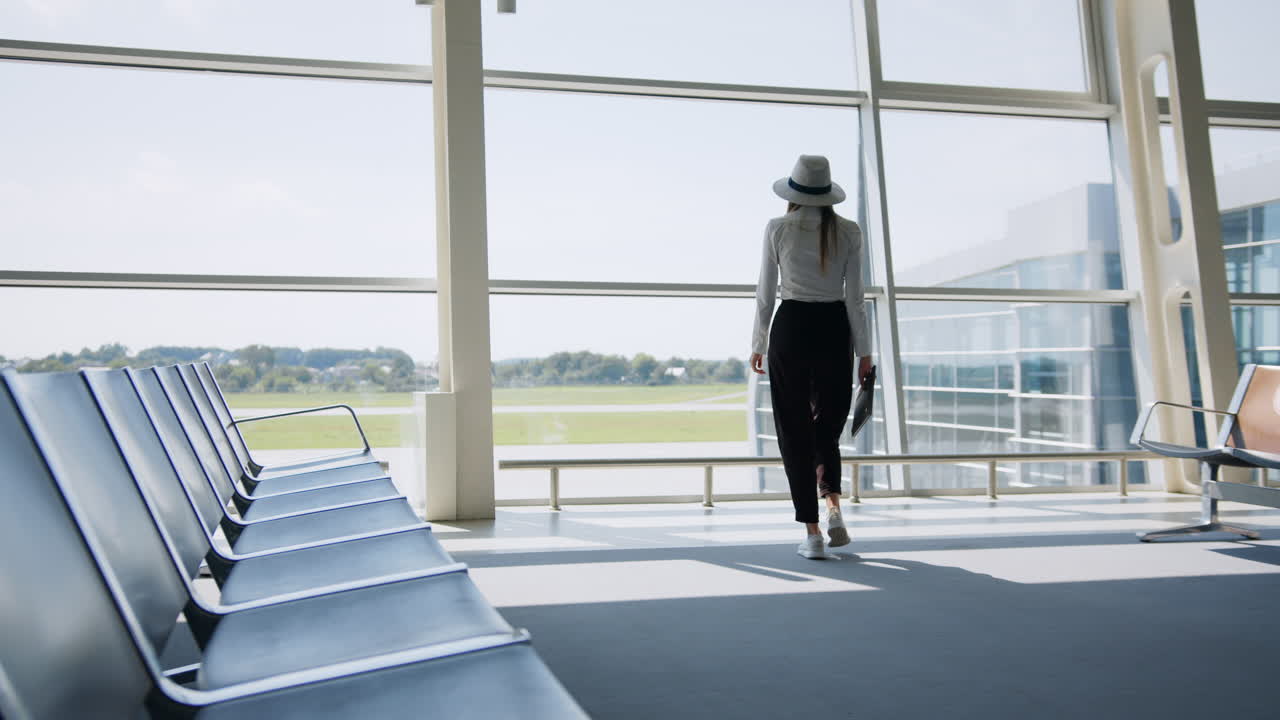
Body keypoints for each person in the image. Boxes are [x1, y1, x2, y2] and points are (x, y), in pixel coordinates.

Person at [750, 154, 872, 560]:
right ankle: (834, 506)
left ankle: (813, 532)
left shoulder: (777, 228)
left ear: (794, 192)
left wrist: (758, 342)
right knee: (827, 429)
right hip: (836, 329)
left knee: (794, 431)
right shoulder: (849, 231)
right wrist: (865, 352)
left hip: (792, 327)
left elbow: (766, 294)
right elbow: (856, 299)